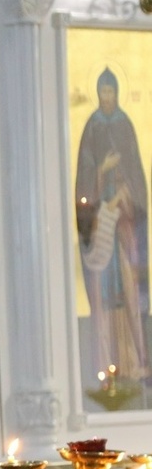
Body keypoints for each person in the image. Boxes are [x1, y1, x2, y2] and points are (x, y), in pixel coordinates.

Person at [75, 67, 149, 382]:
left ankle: (137, 362)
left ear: (117, 93)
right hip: (101, 226)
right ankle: (104, 366)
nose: (107, 97)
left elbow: (137, 178)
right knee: (102, 294)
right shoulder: (91, 127)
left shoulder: (125, 125)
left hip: (125, 225)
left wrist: (123, 196)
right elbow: (83, 182)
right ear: (97, 93)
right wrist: (101, 170)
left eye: (111, 91)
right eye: (103, 91)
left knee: (130, 288)